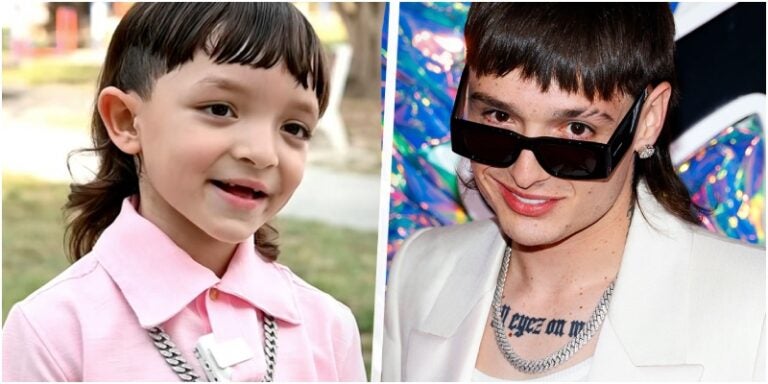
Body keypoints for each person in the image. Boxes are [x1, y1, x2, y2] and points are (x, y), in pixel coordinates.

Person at [382, 3, 765, 381]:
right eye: (499, 117)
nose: (525, 173)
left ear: (648, 120)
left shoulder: (753, 306)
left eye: (575, 131)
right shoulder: (421, 271)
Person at [2, 3, 366, 381]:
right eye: (221, 109)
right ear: (126, 120)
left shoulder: (328, 327)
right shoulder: (52, 333)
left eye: (294, 128)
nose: (261, 153)